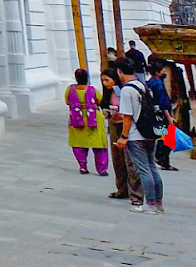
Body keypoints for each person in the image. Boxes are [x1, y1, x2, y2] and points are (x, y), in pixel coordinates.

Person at [116, 58, 162, 215]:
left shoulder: (126, 90)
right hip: (150, 132)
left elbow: (127, 117)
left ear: (119, 72)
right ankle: (158, 203)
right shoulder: (144, 86)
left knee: (143, 170)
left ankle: (150, 205)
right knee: (152, 168)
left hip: (136, 135)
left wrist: (123, 136)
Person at [66, 67, 106, 175]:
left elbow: (67, 101)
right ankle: (101, 170)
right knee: (98, 146)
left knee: (79, 145)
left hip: (76, 118)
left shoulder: (70, 90)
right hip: (93, 119)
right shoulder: (93, 90)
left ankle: (83, 167)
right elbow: (100, 100)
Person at [99, 67, 129, 200]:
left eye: (107, 80)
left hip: (124, 126)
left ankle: (133, 189)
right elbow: (104, 106)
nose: (105, 83)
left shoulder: (123, 91)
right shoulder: (107, 93)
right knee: (117, 159)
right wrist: (106, 112)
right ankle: (121, 188)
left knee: (128, 160)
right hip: (113, 125)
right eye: (103, 81)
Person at [145, 60, 176, 171]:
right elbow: (162, 102)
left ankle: (160, 157)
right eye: (162, 70)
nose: (164, 71)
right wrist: (169, 118)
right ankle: (163, 159)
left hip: (155, 114)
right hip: (162, 114)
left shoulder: (149, 83)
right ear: (157, 72)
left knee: (162, 136)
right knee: (169, 137)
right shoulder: (158, 84)